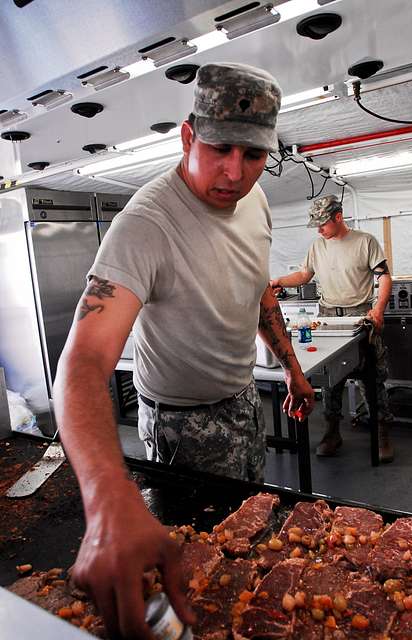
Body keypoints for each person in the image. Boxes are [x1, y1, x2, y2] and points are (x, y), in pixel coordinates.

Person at [53, 62, 314, 639]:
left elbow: (259, 288)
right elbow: (83, 362)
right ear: (188, 135)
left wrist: (293, 371)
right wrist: (105, 497)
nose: (234, 173)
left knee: (243, 554)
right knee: (189, 575)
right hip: (179, 427)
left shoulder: (257, 201)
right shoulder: (146, 224)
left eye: (253, 156)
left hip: (244, 405)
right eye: (220, 149)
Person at [271, 194, 394, 463]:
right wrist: (279, 280)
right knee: (331, 380)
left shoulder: (365, 242)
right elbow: (305, 275)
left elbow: (383, 275)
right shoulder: (318, 246)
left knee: (371, 378)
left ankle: (381, 433)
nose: (319, 229)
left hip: (361, 318)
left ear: (338, 217)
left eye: (323, 223)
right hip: (327, 317)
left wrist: (379, 309)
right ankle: (332, 432)